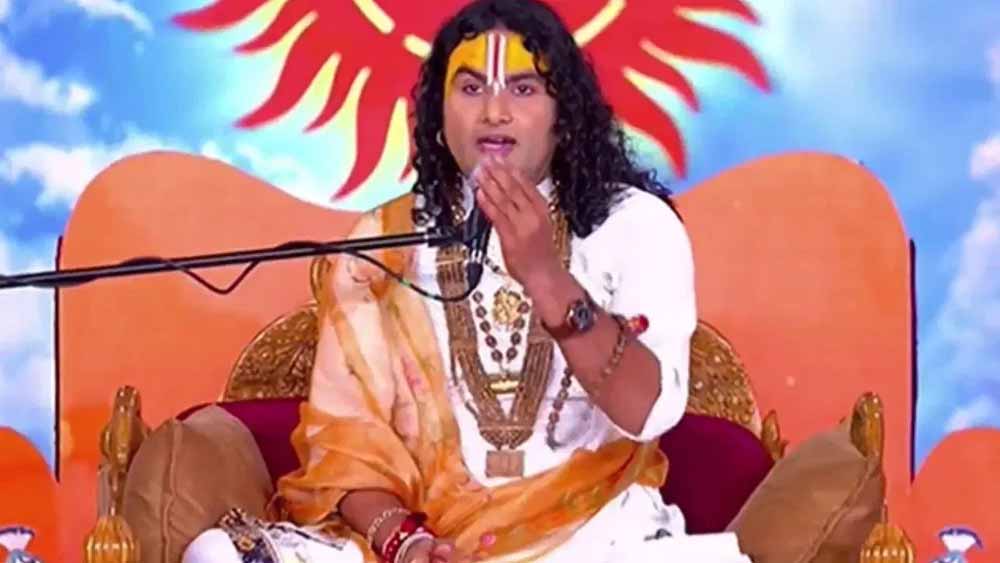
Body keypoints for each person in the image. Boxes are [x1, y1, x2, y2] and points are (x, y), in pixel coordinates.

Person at [184, 0, 752, 561]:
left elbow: (649, 411)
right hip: (431, 542)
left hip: (596, 537)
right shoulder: (385, 243)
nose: (494, 112)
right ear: (439, 112)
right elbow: (347, 451)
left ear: (564, 114)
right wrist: (405, 542)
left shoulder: (633, 225)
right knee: (220, 554)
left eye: (524, 89)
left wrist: (546, 277)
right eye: (472, 88)